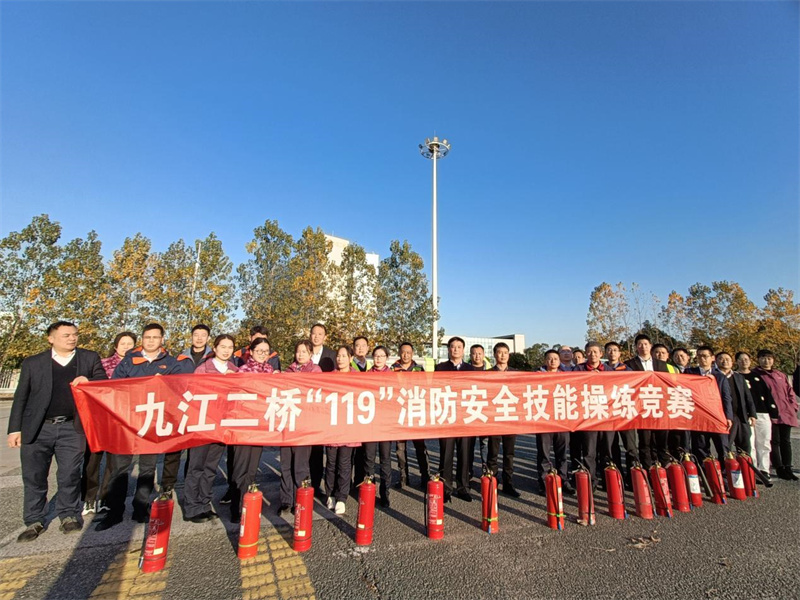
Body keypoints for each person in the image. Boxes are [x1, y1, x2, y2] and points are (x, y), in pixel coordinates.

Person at [8, 321, 106, 542]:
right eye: (65, 335)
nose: (71, 338)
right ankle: (34, 519)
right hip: (38, 428)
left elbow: (103, 382)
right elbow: (21, 396)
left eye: (74, 335)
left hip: (72, 427)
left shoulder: (89, 358)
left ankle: (68, 514)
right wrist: (15, 429)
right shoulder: (34, 363)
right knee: (34, 476)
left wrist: (89, 380)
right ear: (51, 338)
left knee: (70, 473)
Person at [96, 323, 194, 531]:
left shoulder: (170, 363)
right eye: (147, 337)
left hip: (153, 424)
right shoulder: (129, 361)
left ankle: (141, 507)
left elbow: (179, 389)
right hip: (128, 423)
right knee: (120, 469)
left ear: (162, 340)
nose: (151, 341)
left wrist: (164, 383)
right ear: (142, 339)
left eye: (155, 337)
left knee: (148, 468)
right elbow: (115, 387)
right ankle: (114, 511)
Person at [182, 335, 238, 524]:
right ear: (214, 347)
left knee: (210, 467)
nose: (226, 350)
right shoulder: (203, 369)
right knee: (196, 466)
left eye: (230, 347)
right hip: (202, 424)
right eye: (223, 346)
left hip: (222, 426)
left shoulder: (235, 370)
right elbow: (193, 394)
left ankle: (204, 503)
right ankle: (191, 507)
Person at [82, 331, 136, 516]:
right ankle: (89, 498)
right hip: (99, 419)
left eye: (130, 344)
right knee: (92, 462)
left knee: (115, 464)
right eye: (123, 343)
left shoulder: (137, 367)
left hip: (122, 421)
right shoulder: (102, 364)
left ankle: (106, 498)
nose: (127, 347)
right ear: (115, 346)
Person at [230, 337, 274, 520]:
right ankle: (236, 507)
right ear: (252, 352)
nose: (262, 355)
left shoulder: (270, 371)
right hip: (243, 425)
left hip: (260, 427)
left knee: (252, 468)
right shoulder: (243, 370)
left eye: (266, 351)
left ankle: (247, 503)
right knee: (240, 467)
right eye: (259, 351)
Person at [279, 340, 322, 514]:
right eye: (298, 351)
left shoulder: (315, 371)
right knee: (286, 464)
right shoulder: (288, 371)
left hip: (305, 425)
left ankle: (301, 498)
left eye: (304, 351)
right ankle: (285, 499)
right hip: (287, 424)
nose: (301, 355)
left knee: (301, 465)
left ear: (311, 354)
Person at [435, 337, 475, 502]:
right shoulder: (440, 368)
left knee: (465, 454)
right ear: (448, 350)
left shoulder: (471, 369)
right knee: (446, 453)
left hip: (466, 417)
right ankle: (446, 488)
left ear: (463, 350)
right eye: (452, 347)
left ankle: (463, 487)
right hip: (446, 417)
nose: (456, 350)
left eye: (459, 347)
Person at [625, 334, 671, 467]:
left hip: (660, 406)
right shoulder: (629, 365)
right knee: (645, 441)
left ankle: (664, 469)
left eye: (645, 344)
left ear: (650, 346)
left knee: (662, 440)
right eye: (640, 344)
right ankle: (648, 469)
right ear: (635, 347)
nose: (643, 347)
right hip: (641, 407)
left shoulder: (662, 364)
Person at [752, 349, 798, 481]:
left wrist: (792, 406)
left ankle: (788, 467)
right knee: (774, 441)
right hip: (769, 413)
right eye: (763, 358)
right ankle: (779, 468)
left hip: (786, 412)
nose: (766, 361)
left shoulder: (780, 374)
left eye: (769, 358)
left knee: (786, 441)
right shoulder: (756, 375)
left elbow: (790, 392)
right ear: (758, 359)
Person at [325, 346, 360, 515]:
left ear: (350, 358)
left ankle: (341, 497)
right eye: (338, 356)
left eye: (344, 356)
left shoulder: (357, 378)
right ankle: (330, 493)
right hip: (332, 426)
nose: (340, 359)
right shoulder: (329, 377)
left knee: (345, 464)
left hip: (349, 427)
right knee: (331, 463)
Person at [391, 342, 430, 489]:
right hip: (399, 413)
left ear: (412, 353)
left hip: (415, 412)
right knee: (400, 448)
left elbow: (426, 389)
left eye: (408, 352)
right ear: (399, 353)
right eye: (403, 352)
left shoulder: (419, 369)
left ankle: (425, 476)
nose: (405, 355)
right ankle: (403, 477)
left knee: (420, 447)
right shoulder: (393, 369)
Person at [685, 346, 733, 462]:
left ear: (712, 358)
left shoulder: (720, 376)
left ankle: (725, 474)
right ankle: (705, 474)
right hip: (699, 417)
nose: (702, 359)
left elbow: (726, 398)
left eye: (705, 356)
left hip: (717, 416)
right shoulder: (689, 373)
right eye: (699, 356)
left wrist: (728, 417)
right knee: (700, 447)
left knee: (722, 446)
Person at [536, 349, 573, 496]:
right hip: (544, 420)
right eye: (549, 359)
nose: (552, 361)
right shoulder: (536, 376)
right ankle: (544, 482)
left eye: (555, 359)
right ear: (545, 361)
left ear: (559, 362)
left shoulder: (566, 377)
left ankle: (564, 480)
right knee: (544, 454)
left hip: (561, 420)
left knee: (562, 453)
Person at [736, 351, 777, 484]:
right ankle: (753, 470)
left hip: (762, 413)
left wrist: (773, 411)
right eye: (741, 359)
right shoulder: (735, 377)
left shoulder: (757, 377)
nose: (744, 362)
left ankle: (764, 469)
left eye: (746, 359)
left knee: (764, 442)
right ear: (736, 362)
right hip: (746, 414)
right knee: (750, 442)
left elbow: (768, 395)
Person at [571, 342, 606, 487]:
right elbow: (572, 386)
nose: (592, 355)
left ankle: (608, 479)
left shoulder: (609, 370)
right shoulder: (578, 369)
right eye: (589, 352)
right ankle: (591, 481)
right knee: (589, 451)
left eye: (595, 352)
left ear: (601, 354)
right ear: (585, 354)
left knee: (607, 450)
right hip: (587, 416)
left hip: (607, 416)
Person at [487, 342, 520, 497]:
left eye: (505, 352)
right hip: (494, 419)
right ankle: (492, 481)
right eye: (499, 352)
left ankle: (508, 483)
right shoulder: (487, 374)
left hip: (510, 418)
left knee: (509, 453)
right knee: (493, 453)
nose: (502, 355)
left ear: (509, 355)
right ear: (494, 355)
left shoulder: (516, 374)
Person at [365, 346, 394, 507]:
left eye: (382, 356)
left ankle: (385, 492)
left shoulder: (392, 376)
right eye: (376, 356)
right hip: (370, 423)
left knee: (385, 459)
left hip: (386, 424)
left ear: (386, 358)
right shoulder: (367, 376)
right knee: (369, 458)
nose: (378, 359)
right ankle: (370, 490)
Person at [308, 323, 335, 492]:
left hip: (327, 405)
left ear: (325, 336)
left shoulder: (331, 355)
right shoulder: (303, 352)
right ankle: (314, 483)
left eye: (320, 334)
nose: (316, 336)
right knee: (313, 447)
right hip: (309, 406)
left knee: (330, 449)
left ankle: (331, 485)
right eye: (314, 333)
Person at [715, 352, 757, 454]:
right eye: (721, 359)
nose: (725, 361)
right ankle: (727, 468)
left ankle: (745, 468)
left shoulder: (738, 377)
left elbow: (748, 397)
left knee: (745, 446)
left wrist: (752, 414)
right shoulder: (714, 376)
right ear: (716, 361)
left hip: (741, 416)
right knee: (726, 446)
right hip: (724, 417)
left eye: (727, 359)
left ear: (732, 362)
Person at [468, 344, 490, 482]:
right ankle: (468, 470)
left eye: (479, 353)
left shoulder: (490, 371)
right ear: (470, 355)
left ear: (484, 355)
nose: (477, 356)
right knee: (468, 444)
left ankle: (485, 469)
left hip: (485, 411)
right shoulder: (464, 369)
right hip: (468, 411)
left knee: (485, 443)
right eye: (474, 353)